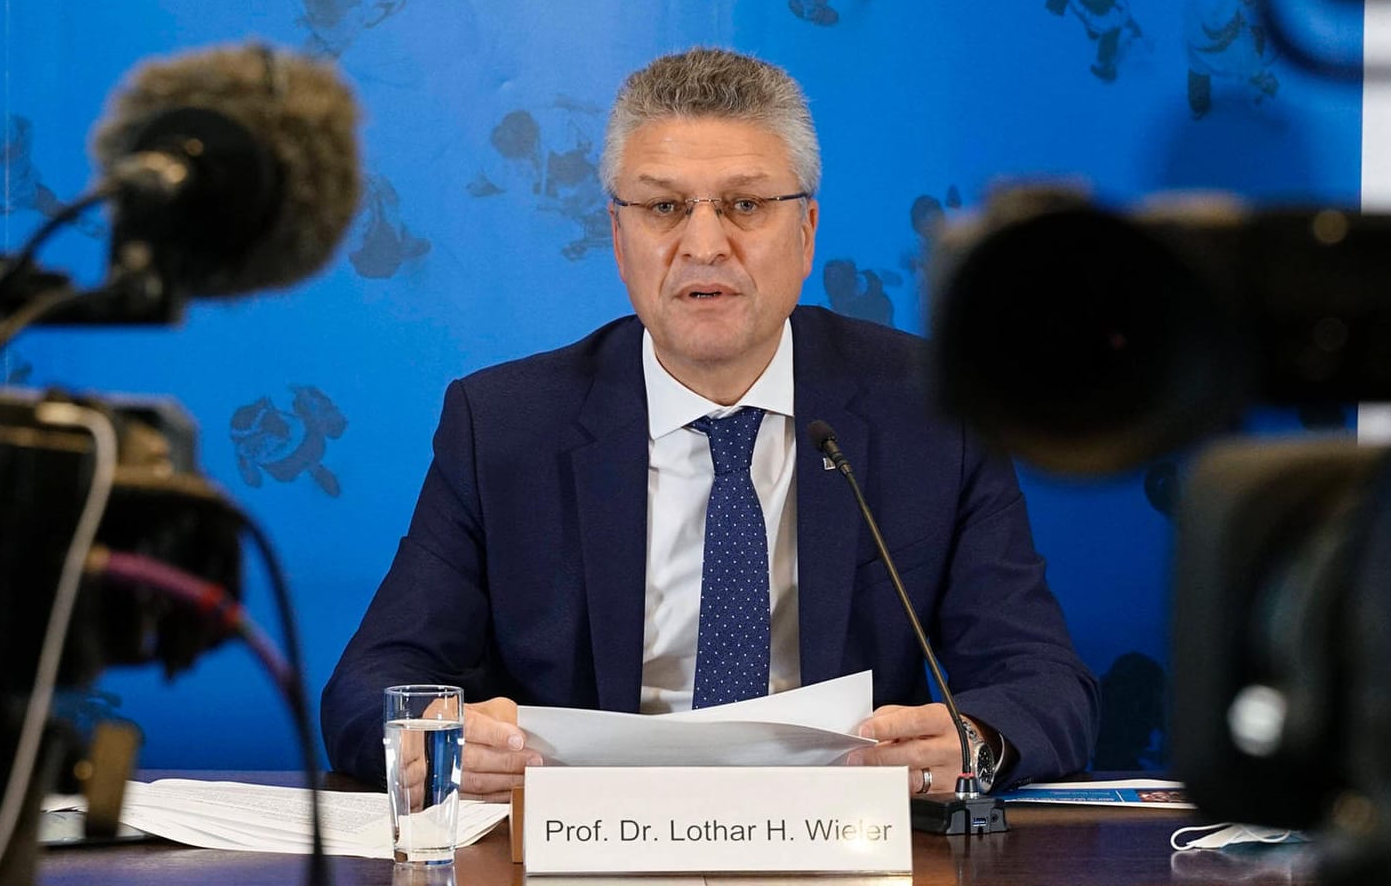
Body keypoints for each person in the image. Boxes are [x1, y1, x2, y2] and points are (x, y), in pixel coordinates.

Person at [321, 47, 1099, 799]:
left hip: (837, 845)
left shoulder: (935, 409)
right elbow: (370, 683)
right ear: (619, 239)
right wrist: (433, 736)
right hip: (587, 847)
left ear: (806, 232)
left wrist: (972, 740)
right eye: (663, 207)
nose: (703, 244)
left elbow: (1045, 687)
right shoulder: (504, 425)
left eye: (746, 205)